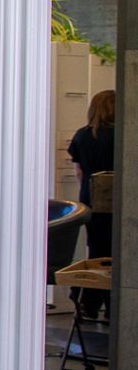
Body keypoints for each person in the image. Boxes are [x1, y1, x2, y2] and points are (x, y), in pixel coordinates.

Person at [68, 91, 116, 312]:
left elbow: (79, 172)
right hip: (117, 200)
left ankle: (91, 302)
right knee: (119, 252)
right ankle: (113, 305)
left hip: (91, 198)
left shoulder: (82, 135)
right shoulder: (123, 135)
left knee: (97, 250)